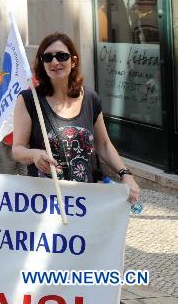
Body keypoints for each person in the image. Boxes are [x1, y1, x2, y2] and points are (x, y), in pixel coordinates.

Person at [11, 33, 141, 203]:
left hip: (84, 199)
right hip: (45, 200)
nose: (55, 62)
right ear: (42, 64)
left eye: (62, 56)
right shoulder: (29, 99)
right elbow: (17, 149)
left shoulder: (90, 98)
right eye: (48, 57)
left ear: (73, 61)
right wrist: (35, 155)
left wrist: (126, 175)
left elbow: (103, 144)